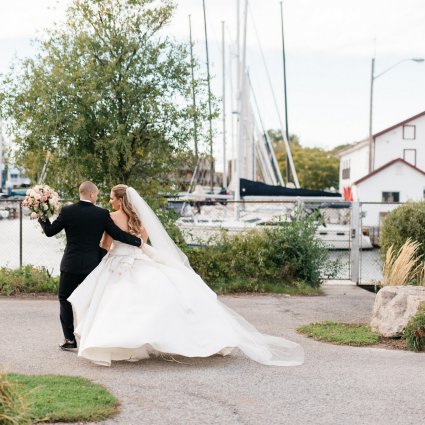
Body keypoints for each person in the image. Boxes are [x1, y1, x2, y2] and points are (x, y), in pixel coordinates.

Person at [68, 184, 304, 367]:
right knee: (155, 300)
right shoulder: (141, 219)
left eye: (111, 196)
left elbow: (106, 243)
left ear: (120, 200)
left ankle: (119, 344)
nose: (109, 200)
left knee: (113, 304)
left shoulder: (110, 217)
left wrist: (99, 258)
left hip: (116, 262)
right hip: (139, 260)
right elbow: (142, 245)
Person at [38, 181, 142, 350]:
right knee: (92, 302)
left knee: (65, 299)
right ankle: (91, 338)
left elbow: (50, 232)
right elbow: (117, 235)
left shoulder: (67, 211)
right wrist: (137, 241)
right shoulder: (101, 214)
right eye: (98, 194)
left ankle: (69, 339)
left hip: (70, 265)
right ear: (92, 194)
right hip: (92, 266)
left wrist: (41, 214)